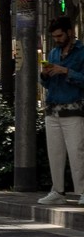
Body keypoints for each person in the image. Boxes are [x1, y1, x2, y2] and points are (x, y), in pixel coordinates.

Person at [39, 16, 84, 205]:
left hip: (74, 109)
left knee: (77, 152)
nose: (56, 39)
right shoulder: (54, 53)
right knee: (55, 153)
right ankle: (57, 190)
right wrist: (44, 75)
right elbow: (46, 84)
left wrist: (66, 71)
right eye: (54, 36)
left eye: (59, 35)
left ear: (70, 32)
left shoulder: (82, 52)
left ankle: (82, 190)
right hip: (53, 108)